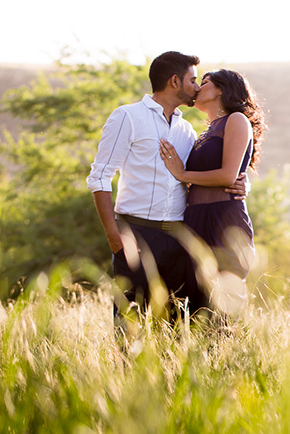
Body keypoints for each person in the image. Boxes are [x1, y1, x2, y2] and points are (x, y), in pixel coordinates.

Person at [86, 51, 246, 325]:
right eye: (193, 80)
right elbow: (100, 176)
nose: (196, 87)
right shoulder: (127, 116)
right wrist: (113, 235)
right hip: (134, 235)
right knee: (129, 324)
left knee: (173, 329)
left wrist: (240, 184)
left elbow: (195, 177)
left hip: (178, 239)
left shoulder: (187, 131)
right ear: (175, 81)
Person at [158, 69, 266, 315]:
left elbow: (228, 175)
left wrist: (182, 174)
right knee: (194, 301)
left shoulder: (235, 120)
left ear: (220, 89)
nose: (196, 88)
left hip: (222, 219)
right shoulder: (206, 131)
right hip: (195, 219)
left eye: (203, 83)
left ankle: (226, 352)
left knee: (221, 303)